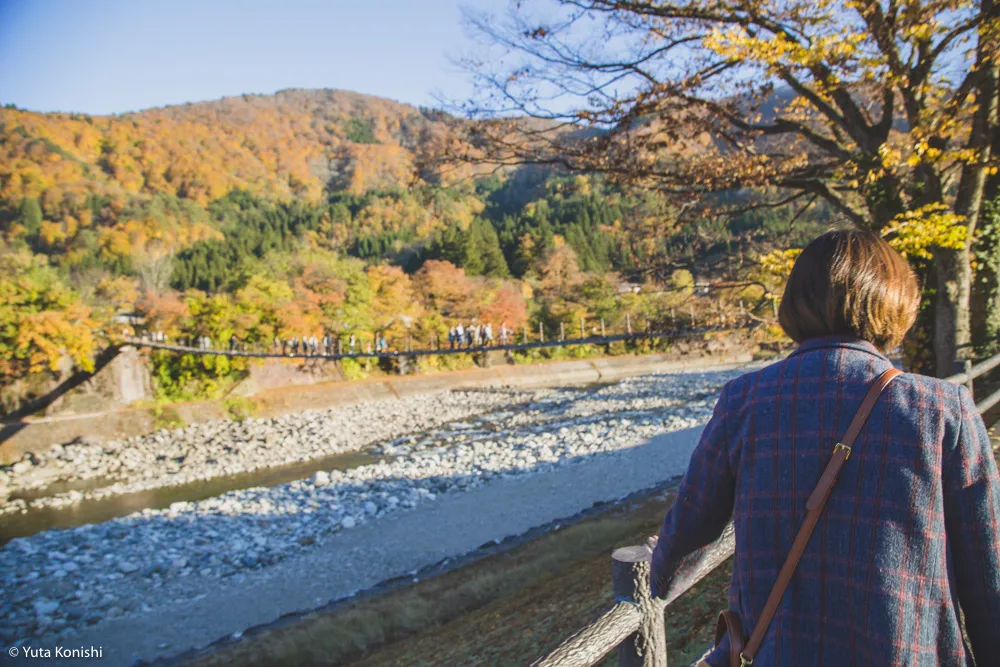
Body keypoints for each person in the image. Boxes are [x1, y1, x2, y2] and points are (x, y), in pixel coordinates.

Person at [648, 230, 1000, 666]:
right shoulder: (942, 410)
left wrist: (656, 576)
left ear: (795, 301)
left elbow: (686, 536)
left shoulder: (745, 400)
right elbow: (987, 574)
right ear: (895, 303)